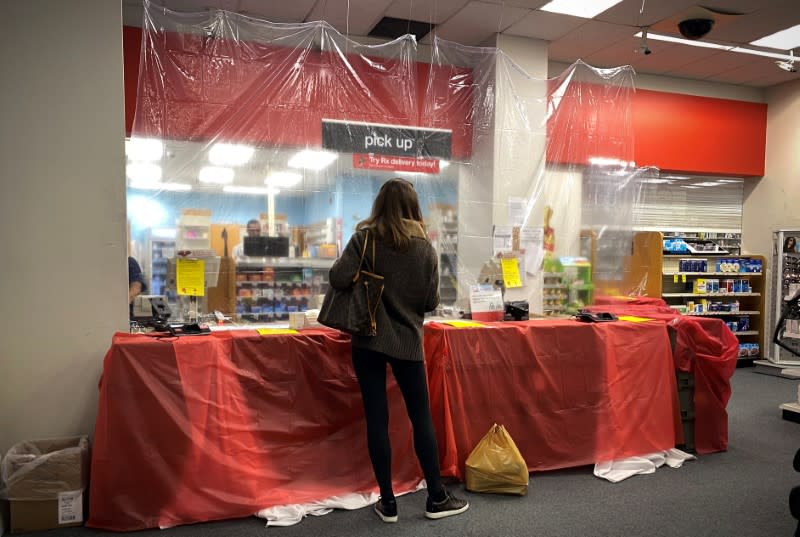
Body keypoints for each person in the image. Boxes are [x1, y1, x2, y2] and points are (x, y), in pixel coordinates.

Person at [329, 178, 469, 523]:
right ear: (413, 207)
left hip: (368, 338)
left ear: (379, 206)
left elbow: (337, 278)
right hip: (408, 341)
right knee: (421, 418)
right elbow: (432, 301)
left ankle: (388, 503)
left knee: (377, 419)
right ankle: (436, 496)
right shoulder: (426, 248)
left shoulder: (365, 239)